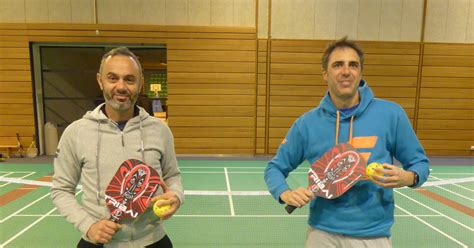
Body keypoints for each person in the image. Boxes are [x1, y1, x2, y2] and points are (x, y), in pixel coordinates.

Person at [264, 37, 429, 248]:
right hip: (322, 235)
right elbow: (275, 168)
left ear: (360, 72)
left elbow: (420, 164)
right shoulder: (306, 123)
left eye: (353, 64)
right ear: (325, 74)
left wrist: (408, 177)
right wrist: (285, 192)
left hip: (374, 236)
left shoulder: (391, 114)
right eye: (337, 64)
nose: (346, 71)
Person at [51, 47, 184, 248]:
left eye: (129, 79)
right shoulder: (76, 133)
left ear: (140, 84)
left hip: (153, 240)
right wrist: (88, 226)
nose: (121, 87)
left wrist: (176, 196)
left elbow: (173, 176)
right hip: (98, 242)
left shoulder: (160, 131)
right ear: (100, 80)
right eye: (113, 78)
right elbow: (61, 190)